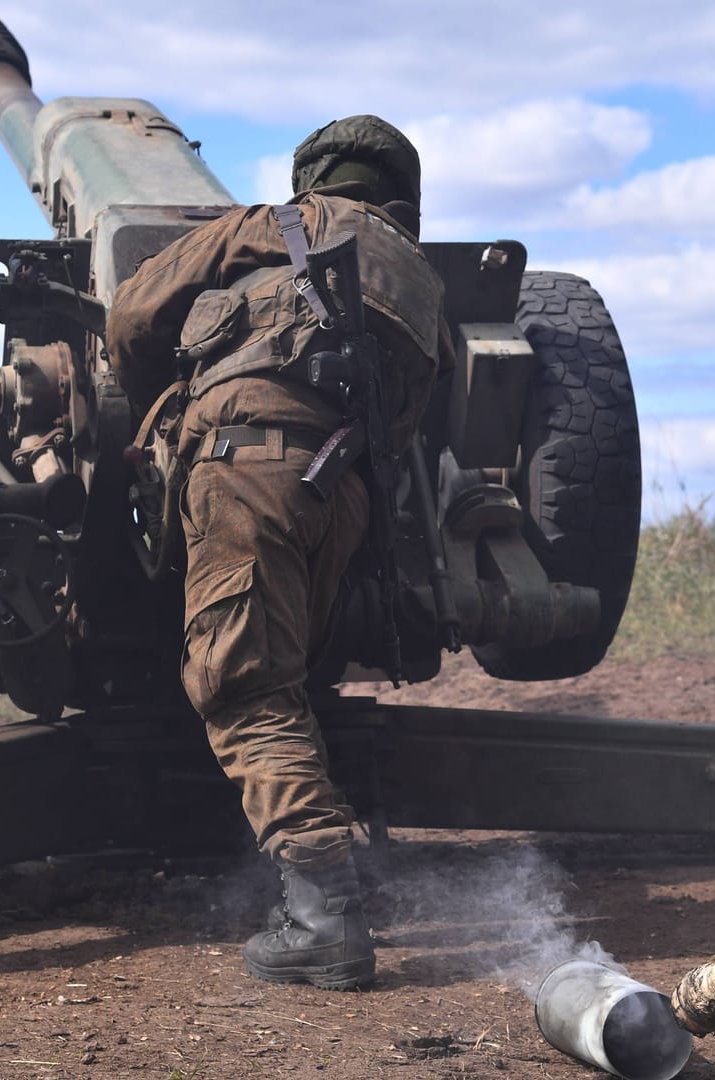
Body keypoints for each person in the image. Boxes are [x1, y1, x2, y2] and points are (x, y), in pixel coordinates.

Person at [104, 115, 453, 990]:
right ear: (402, 199)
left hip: (243, 466)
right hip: (344, 495)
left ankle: (324, 909)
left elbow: (135, 315)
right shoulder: (420, 281)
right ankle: (314, 876)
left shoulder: (271, 226)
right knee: (284, 672)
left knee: (244, 679)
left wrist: (161, 418)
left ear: (313, 183)